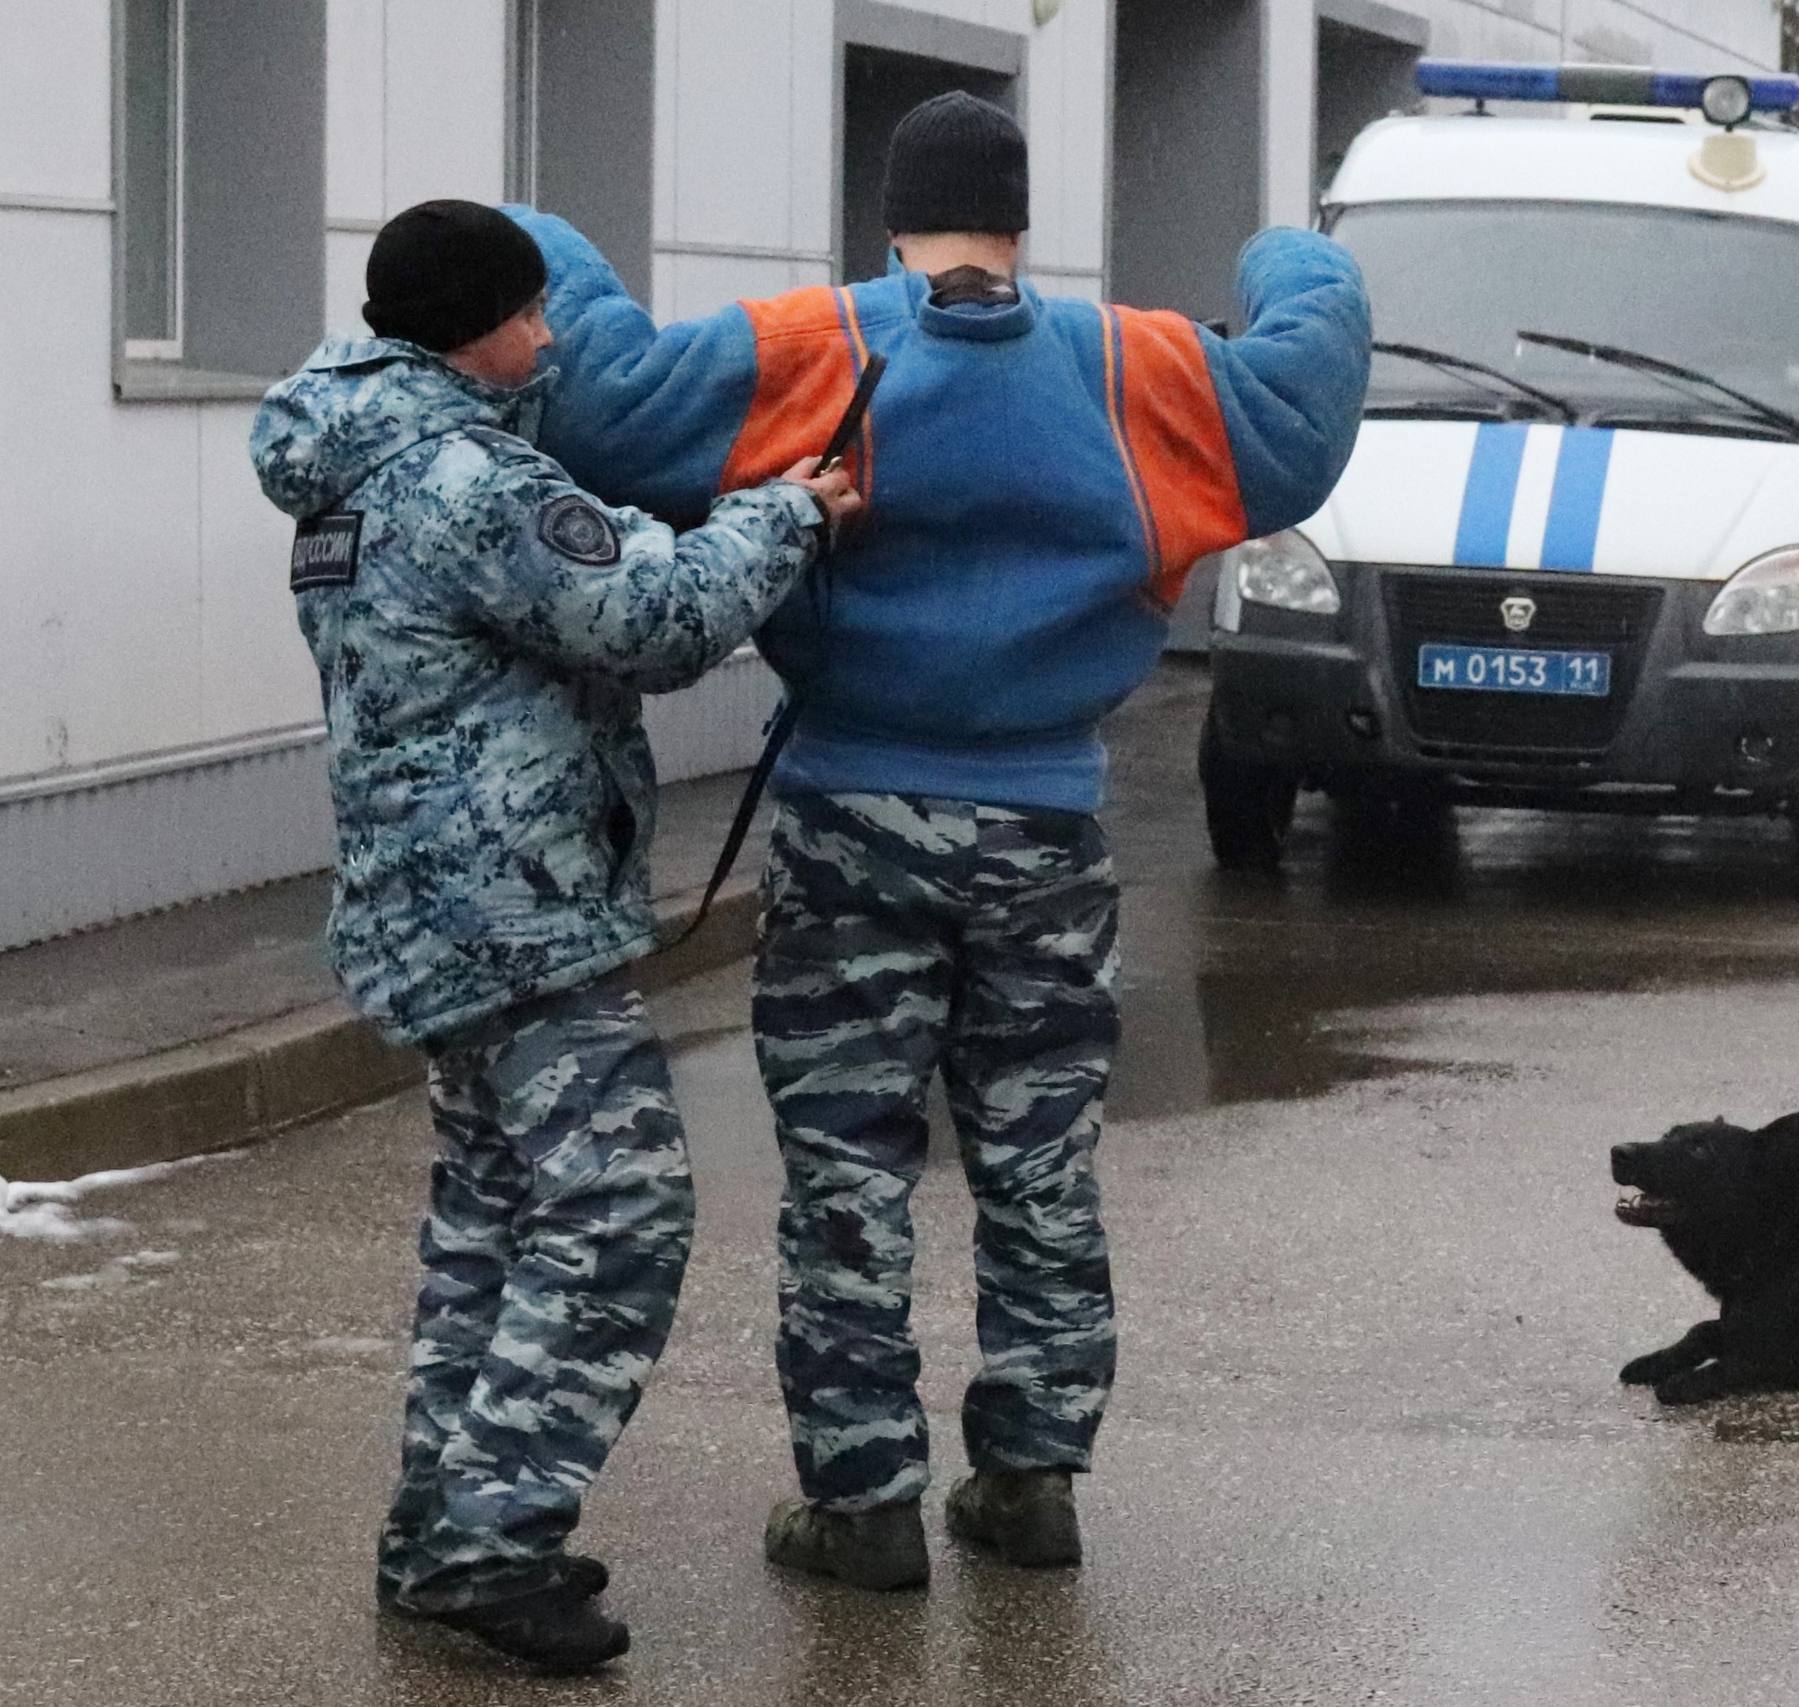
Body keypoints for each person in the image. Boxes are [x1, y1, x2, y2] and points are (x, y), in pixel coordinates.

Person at [509, 90, 1371, 1591]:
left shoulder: (809, 346)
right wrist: (1294, 255)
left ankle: (863, 1505)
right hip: (1048, 825)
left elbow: (604, 401)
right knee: (1040, 1157)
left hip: (852, 819)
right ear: (1023, 221)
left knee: (848, 1167)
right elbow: (1300, 406)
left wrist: (534, 232)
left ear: (890, 217)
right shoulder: (1140, 366)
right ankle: (1031, 1479)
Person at [249, 199, 861, 1672]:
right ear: (482, 325)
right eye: (533, 317)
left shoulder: (353, 462)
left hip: (429, 906)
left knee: (491, 1225)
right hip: (514, 913)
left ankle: (438, 1530)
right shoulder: (468, 478)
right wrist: (788, 510)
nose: (548, 342)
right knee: (619, 1214)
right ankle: (492, 1538)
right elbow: (651, 618)